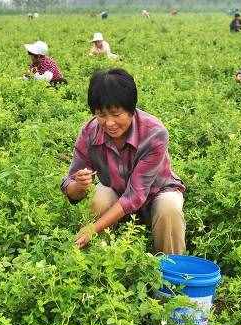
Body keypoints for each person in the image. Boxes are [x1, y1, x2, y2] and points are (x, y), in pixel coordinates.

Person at [61, 68, 186, 254]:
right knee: (100, 198)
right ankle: (98, 259)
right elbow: (69, 185)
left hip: (157, 194)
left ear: (131, 109)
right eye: (101, 115)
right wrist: (78, 186)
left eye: (116, 114)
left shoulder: (154, 133)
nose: (109, 123)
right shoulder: (89, 132)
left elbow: (135, 195)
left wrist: (92, 229)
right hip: (118, 194)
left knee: (169, 207)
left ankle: (171, 273)